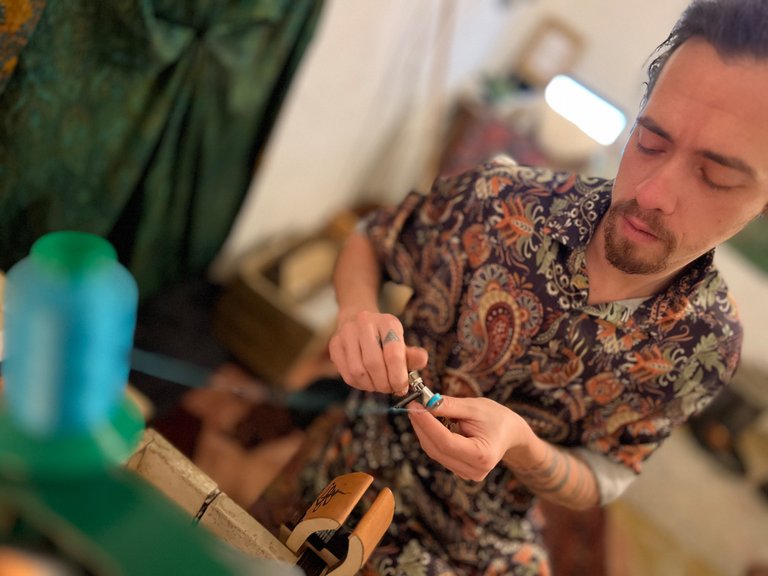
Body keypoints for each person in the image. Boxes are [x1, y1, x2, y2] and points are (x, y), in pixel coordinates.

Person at [283, 0, 768, 573]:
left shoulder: (707, 348)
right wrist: (357, 314)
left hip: (479, 542)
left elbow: (608, 472)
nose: (654, 191)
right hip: (347, 471)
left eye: (714, 176)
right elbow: (373, 239)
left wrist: (522, 445)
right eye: (652, 142)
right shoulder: (499, 203)